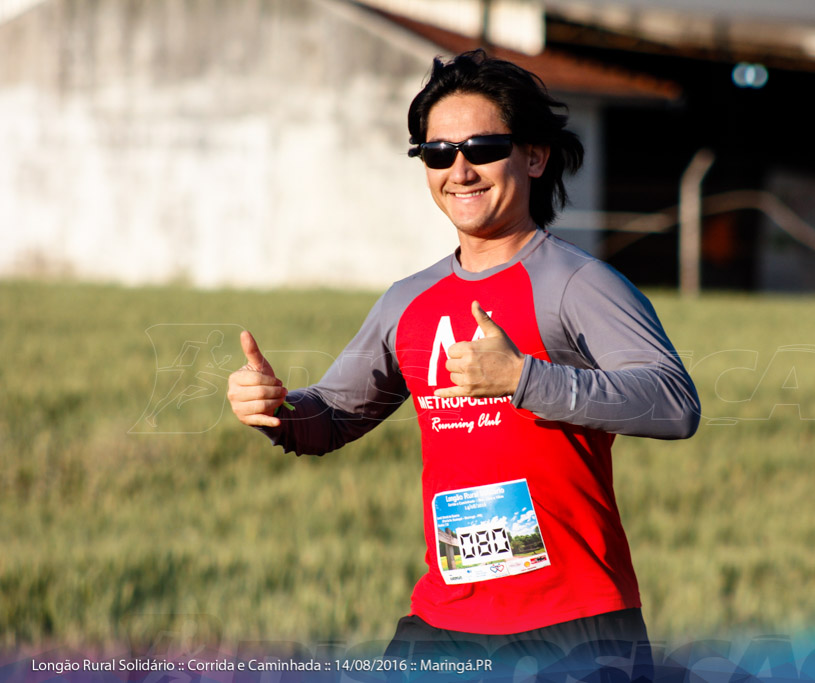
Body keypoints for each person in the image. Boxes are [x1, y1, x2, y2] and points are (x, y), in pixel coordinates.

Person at [227, 49, 700, 681]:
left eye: (481, 147)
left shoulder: (577, 283)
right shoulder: (409, 301)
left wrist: (523, 379)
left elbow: (675, 403)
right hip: (444, 624)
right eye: (437, 152)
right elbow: (331, 419)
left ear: (535, 156)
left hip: (574, 626)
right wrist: (275, 411)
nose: (460, 169)